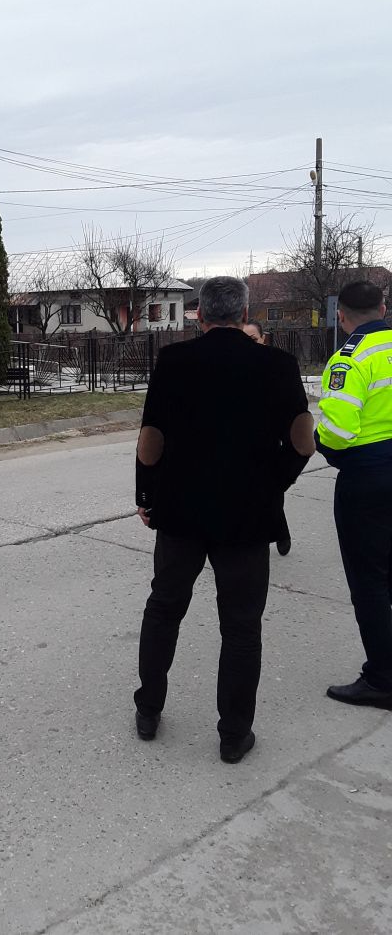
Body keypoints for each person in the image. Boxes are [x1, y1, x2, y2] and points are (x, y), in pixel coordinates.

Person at [133, 277, 315, 763]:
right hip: (247, 516)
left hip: (181, 511)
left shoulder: (173, 361)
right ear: (245, 313)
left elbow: (151, 439)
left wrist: (146, 495)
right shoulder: (278, 364)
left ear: (199, 315)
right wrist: (274, 483)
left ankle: (148, 708)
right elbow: (303, 441)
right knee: (240, 626)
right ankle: (234, 734)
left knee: (164, 608)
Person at [317, 280, 392, 709]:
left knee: (370, 582)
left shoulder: (350, 358)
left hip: (369, 482)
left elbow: (337, 433)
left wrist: (323, 444)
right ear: (383, 308)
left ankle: (382, 678)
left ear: (341, 317)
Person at [243, 320, 293, 557]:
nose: (248, 344)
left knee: (271, 490)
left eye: (253, 339)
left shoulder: (276, 365)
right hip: (240, 438)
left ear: (263, 338)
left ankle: (281, 530)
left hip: (269, 438)